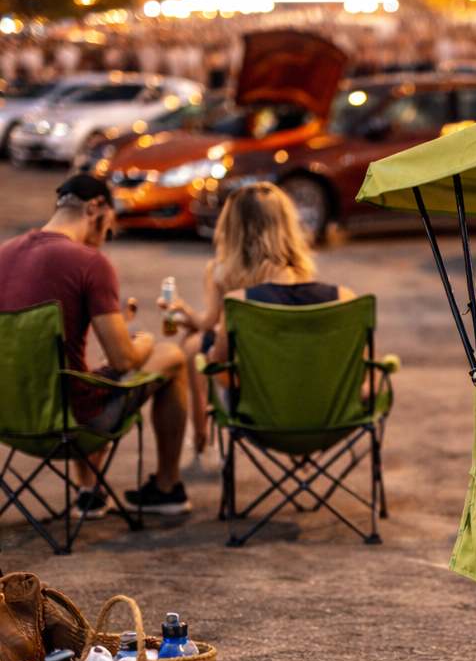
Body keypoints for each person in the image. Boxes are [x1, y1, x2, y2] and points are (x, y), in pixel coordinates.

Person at [0, 175, 191, 517]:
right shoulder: (89, 263)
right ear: (95, 209)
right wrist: (142, 344)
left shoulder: (3, 254)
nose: (104, 241)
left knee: (80, 371)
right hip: (75, 427)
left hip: (10, 421)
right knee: (171, 356)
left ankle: (90, 492)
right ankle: (167, 488)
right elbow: (122, 361)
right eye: (108, 230)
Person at [167, 183, 353, 446]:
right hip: (292, 373)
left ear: (232, 228)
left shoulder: (220, 271)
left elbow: (212, 324)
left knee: (191, 346)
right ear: (285, 226)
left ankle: (200, 434)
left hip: (245, 383)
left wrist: (187, 316)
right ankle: (297, 433)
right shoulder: (298, 275)